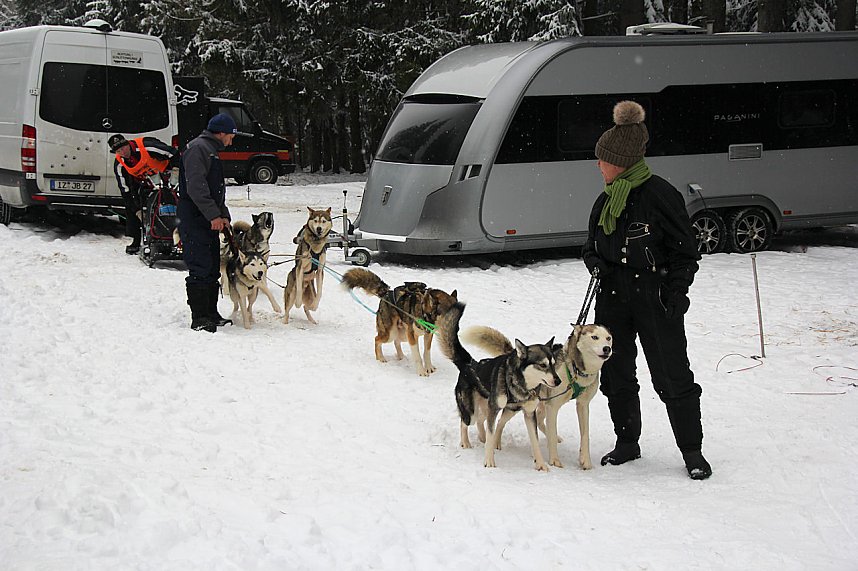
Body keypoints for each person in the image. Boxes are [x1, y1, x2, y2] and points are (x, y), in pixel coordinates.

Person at [581, 100, 712, 480]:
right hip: (613, 298)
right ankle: (627, 443)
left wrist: (675, 292)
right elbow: (590, 245)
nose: (598, 166)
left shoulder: (660, 195)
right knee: (616, 372)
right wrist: (595, 264)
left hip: (654, 296)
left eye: (602, 159)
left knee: (671, 375)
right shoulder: (606, 200)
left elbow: (686, 252)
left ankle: (692, 451)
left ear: (620, 161)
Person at [177, 113, 237, 332]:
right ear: (220, 133)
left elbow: (216, 191)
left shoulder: (211, 151)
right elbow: (197, 188)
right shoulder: (198, 149)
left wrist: (224, 215)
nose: (231, 140)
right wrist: (213, 215)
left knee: (212, 266)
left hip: (208, 219)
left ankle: (211, 312)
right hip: (195, 219)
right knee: (200, 266)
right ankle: (200, 317)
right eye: (230, 135)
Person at [109, 134, 179, 254]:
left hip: (167, 173)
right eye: (118, 151)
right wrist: (137, 210)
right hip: (144, 181)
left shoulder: (147, 146)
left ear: (128, 144)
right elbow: (125, 189)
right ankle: (137, 240)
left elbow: (173, 153)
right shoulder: (119, 164)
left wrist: (176, 170)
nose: (123, 152)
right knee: (133, 203)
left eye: (124, 148)